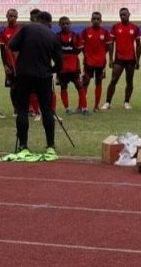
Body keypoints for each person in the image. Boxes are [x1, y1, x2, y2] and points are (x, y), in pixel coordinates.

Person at [8, 10, 63, 161]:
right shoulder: (53, 35)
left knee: (22, 110)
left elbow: (12, 45)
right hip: (43, 76)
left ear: (37, 19)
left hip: (23, 74)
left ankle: (23, 146)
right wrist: (49, 69)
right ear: (49, 23)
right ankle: (50, 145)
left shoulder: (26, 28)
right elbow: (59, 63)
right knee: (46, 110)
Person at [104, 7, 141, 110]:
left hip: (131, 59)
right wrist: (111, 59)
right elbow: (111, 43)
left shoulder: (135, 27)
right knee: (113, 80)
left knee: (129, 81)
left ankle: (126, 102)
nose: (122, 16)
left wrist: (138, 60)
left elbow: (138, 45)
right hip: (119, 59)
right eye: (121, 15)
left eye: (124, 14)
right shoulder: (115, 27)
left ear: (129, 14)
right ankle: (107, 102)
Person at [80, 11, 112, 112]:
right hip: (88, 62)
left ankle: (96, 106)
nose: (96, 20)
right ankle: (82, 105)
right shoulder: (86, 31)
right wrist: (87, 55)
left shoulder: (105, 32)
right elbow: (82, 46)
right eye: (94, 19)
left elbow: (108, 46)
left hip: (101, 63)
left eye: (98, 19)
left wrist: (103, 55)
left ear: (101, 21)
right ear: (91, 20)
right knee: (85, 83)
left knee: (99, 83)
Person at [56, 16, 88, 115]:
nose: (65, 25)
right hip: (62, 68)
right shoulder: (57, 36)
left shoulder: (75, 35)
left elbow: (79, 48)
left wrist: (71, 55)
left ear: (70, 24)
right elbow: (55, 50)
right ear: (59, 25)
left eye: (67, 23)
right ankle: (67, 108)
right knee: (63, 87)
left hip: (74, 66)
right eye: (63, 24)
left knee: (79, 86)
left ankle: (84, 108)